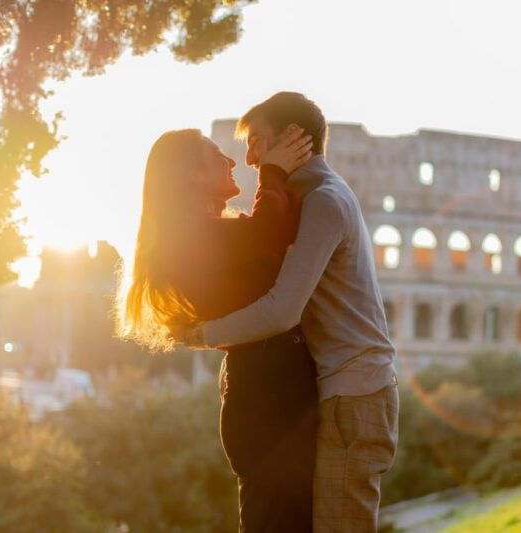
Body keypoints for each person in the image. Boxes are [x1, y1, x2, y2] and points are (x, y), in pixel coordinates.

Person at [181, 92, 400, 533]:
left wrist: (200, 334)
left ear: (295, 137)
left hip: (354, 392)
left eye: (258, 140)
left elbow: (281, 311)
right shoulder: (311, 197)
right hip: (351, 388)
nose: (249, 155)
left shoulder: (323, 201)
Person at [116, 126, 318, 532]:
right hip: (268, 401)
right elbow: (270, 230)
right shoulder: (194, 238)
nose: (231, 162)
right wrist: (273, 171)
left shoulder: (204, 233)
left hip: (269, 394)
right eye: (217, 156)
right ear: (192, 174)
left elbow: (275, 231)